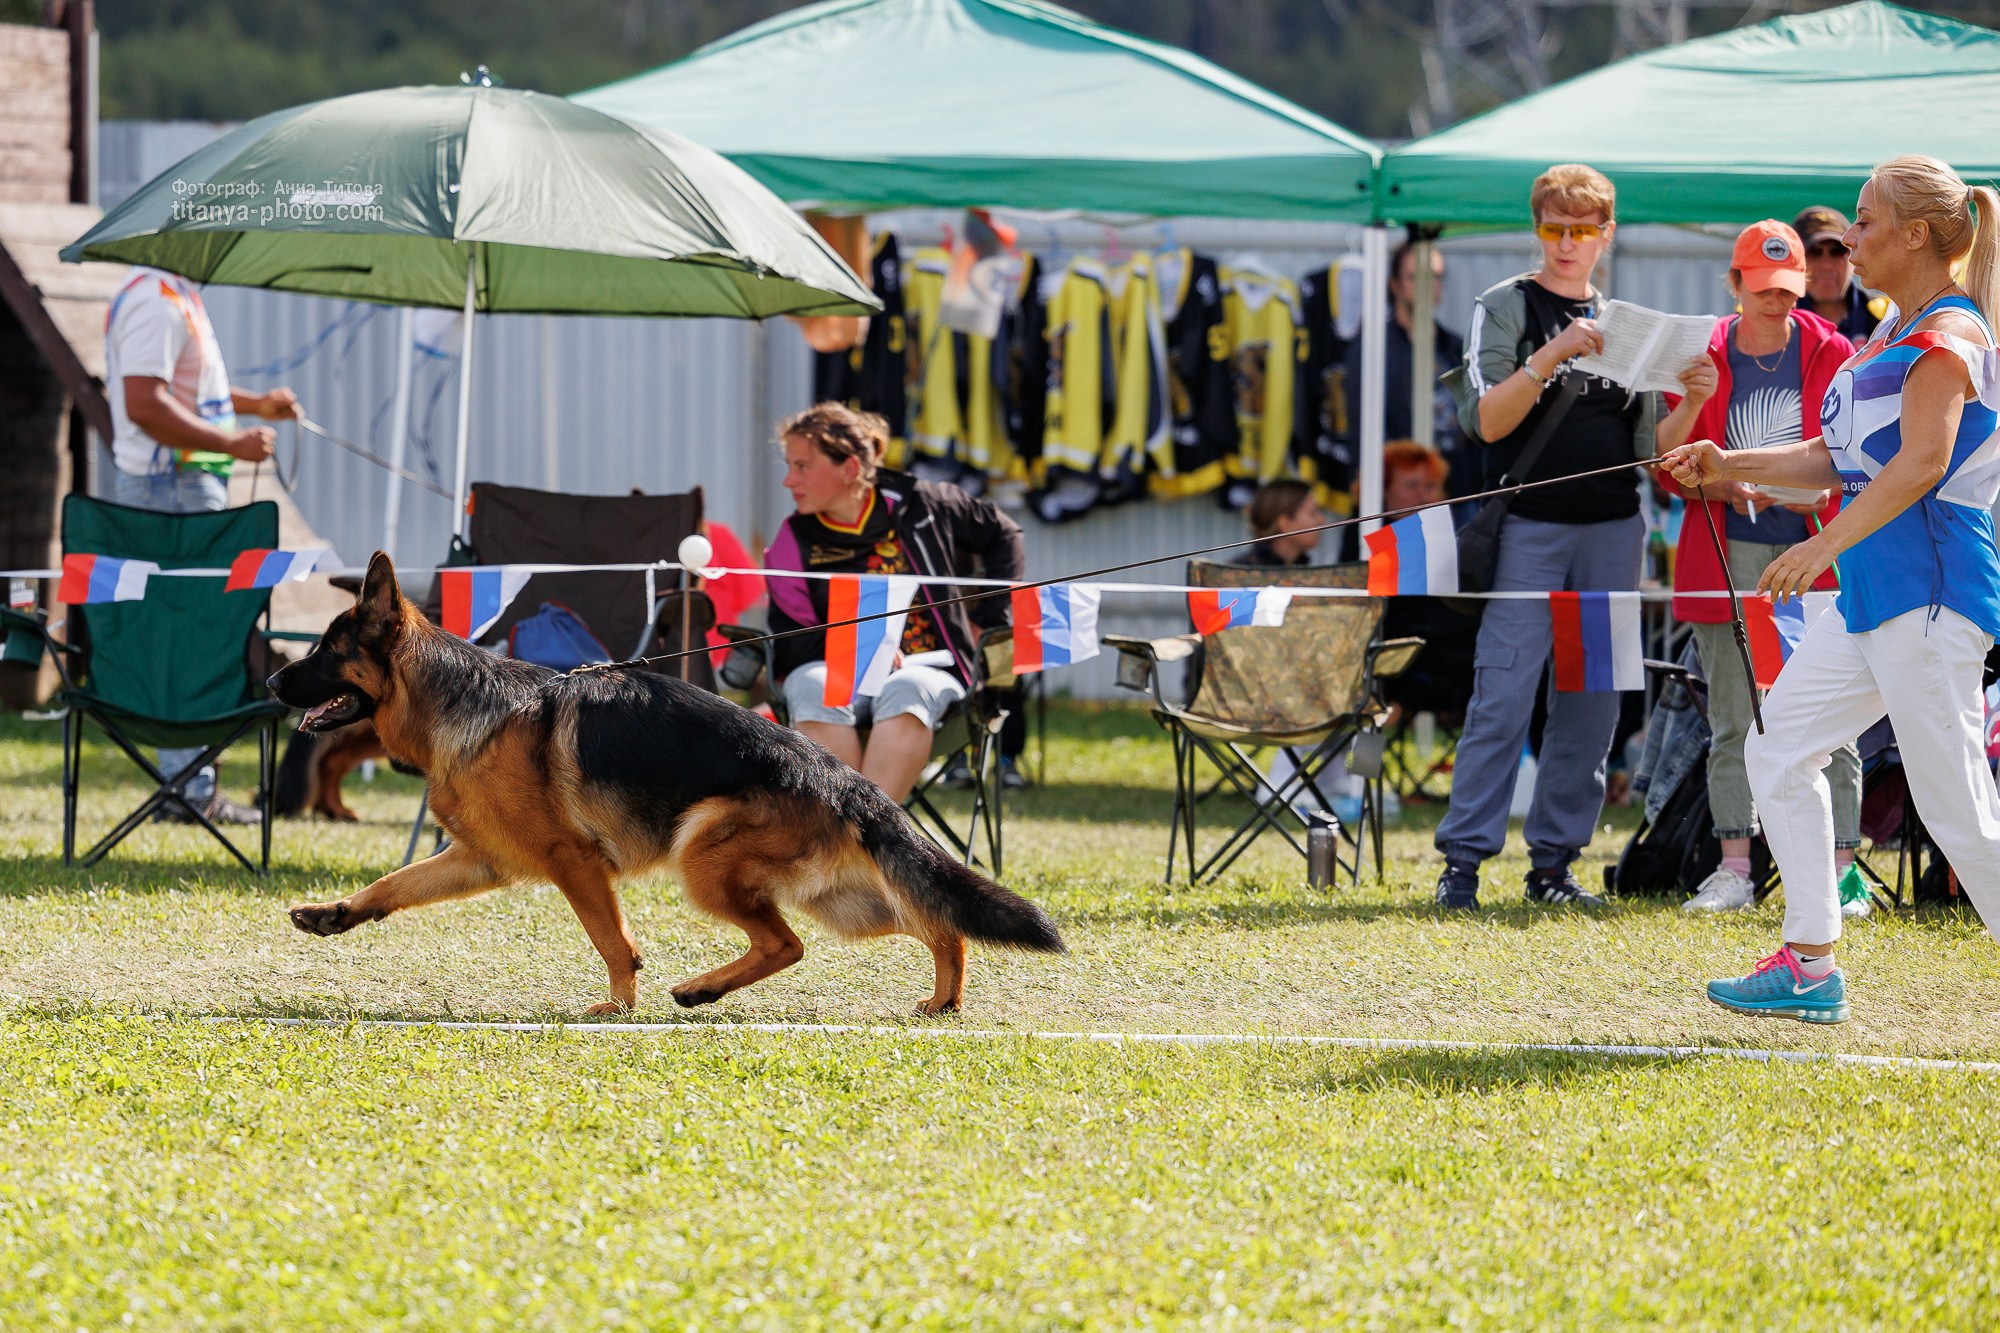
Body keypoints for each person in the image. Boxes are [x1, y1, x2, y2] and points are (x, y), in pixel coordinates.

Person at [1662, 155, 2000, 1023]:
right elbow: (1833, 458)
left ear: (1916, 235)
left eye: (1866, 220)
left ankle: (1811, 961)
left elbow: (1921, 464)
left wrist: (1821, 547)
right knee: (1778, 749)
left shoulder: (1951, 334)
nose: (1849, 237)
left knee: (1960, 814)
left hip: (1930, 597)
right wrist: (1726, 461)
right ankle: (1810, 963)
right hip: (1875, 602)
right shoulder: (1891, 334)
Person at [1431, 163, 1661, 911]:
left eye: (1581, 230)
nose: (1566, 243)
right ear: (1537, 229)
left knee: (1592, 702)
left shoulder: (1626, 323)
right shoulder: (1504, 305)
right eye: (1553, 228)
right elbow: (1487, 421)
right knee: (1502, 694)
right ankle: (1462, 864)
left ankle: (1554, 867)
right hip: (1527, 528)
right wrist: (1553, 352)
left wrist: (1691, 396)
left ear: (1606, 235)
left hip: (1612, 531)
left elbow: (1652, 452)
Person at [1655, 220, 1870, 918]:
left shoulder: (1834, 348)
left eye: (1787, 287)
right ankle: (1734, 869)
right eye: (1762, 287)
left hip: (1814, 551)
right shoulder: (1703, 352)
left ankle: (1843, 873)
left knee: (1832, 719)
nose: (1776, 301)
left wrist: (1806, 494)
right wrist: (1723, 477)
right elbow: (1666, 467)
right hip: (1726, 552)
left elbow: (1854, 456)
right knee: (1733, 716)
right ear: (1735, 284)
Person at [104, 264, 303, 826]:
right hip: (172, 485)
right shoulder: (156, 301)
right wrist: (231, 444)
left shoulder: (175, 296)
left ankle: (190, 785)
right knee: (187, 636)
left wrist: (255, 405)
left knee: (191, 633)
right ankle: (188, 790)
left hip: (181, 483)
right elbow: (145, 404)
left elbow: (188, 395)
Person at [764, 402, 1024, 804]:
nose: (788, 480)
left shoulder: (922, 502)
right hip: (835, 673)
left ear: (849, 468)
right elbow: (792, 644)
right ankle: (860, 836)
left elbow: (1004, 535)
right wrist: (869, 652)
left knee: (908, 689)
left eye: (801, 466)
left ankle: (860, 835)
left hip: (931, 671)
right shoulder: (790, 540)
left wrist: (988, 617)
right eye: (789, 466)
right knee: (813, 686)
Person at [1793, 205, 1892, 349]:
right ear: (1796, 260)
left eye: (1837, 251)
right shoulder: (1778, 317)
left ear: (1854, 255)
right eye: (1814, 252)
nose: (1826, 265)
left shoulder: (1887, 317)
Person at [1232, 479, 1324, 567]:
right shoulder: (1237, 573)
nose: (1322, 520)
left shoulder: (1303, 568)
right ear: (1284, 524)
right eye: (1312, 513)